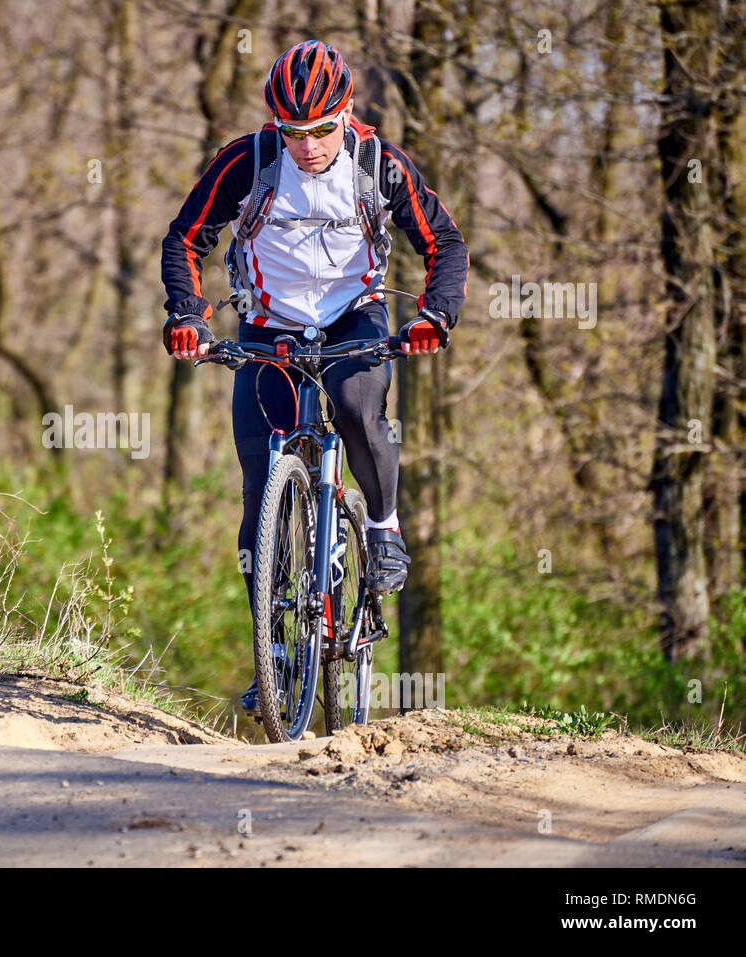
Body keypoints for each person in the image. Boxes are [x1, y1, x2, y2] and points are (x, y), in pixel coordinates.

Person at [158, 40, 469, 715]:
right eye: (293, 131)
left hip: (354, 317)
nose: (307, 146)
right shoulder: (250, 161)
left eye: (322, 129)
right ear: (276, 124)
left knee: (358, 412)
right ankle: (272, 652)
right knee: (257, 484)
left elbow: (444, 242)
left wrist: (436, 315)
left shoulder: (377, 163)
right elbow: (185, 237)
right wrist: (186, 313)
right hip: (269, 326)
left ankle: (382, 527)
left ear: (346, 114)